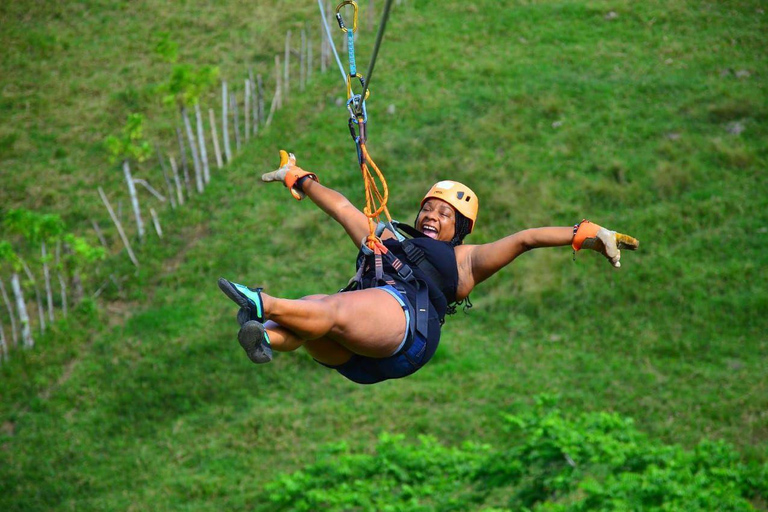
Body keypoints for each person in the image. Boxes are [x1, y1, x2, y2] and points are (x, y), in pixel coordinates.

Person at [218, 151, 639, 384]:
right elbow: (343, 206)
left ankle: (262, 302)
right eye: (428, 209)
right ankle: (265, 338)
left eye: (444, 214)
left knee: (326, 307)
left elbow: (525, 239)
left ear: (460, 228)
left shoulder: (465, 260)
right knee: (314, 316)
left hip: (406, 334)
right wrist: (299, 177)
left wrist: (588, 231)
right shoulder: (383, 236)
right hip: (357, 355)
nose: (432, 217)